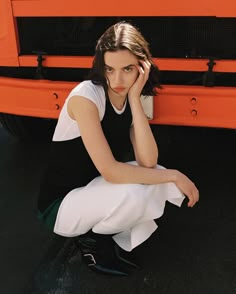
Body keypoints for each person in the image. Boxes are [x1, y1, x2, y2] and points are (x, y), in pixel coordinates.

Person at [37, 21, 199, 276]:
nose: (117, 79)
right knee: (138, 192)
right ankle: (91, 241)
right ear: (101, 67)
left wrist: (135, 98)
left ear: (142, 67)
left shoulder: (130, 95)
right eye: (109, 69)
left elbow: (148, 161)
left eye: (128, 69)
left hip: (93, 188)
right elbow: (111, 171)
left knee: (154, 177)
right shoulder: (86, 97)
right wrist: (175, 175)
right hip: (62, 204)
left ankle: (108, 233)